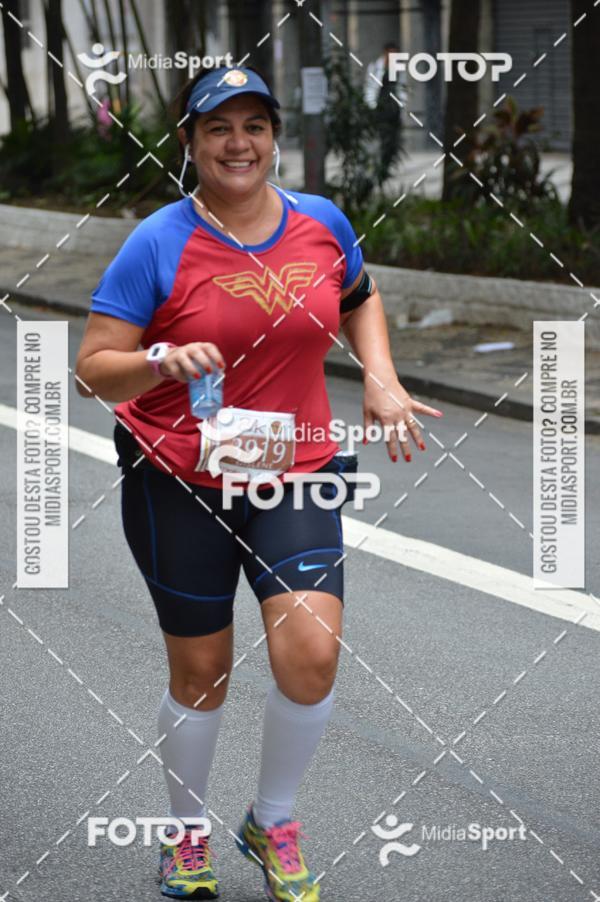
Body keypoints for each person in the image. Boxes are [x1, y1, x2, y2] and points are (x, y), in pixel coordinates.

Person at [75, 65, 442, 901]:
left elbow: (359, 295)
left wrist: (379, 376)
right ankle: (187, 833)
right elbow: (93, 371)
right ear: (191, 142)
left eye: (253, 126)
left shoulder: (321, 222)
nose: (238, 144)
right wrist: (161, 358)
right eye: (218, 129)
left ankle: (271, 819)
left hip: (297, 468)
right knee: (202, 672)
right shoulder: (159, 242)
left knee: (311, 655)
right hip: (179, 476)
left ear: (274, 137)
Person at [364, 41, 408, 178]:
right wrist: (370, 105)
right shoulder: (375, 67)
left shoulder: (399, 68)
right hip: (380, 107)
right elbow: (370, 86)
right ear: (385, 53)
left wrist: (402, 104)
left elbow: (403, 87)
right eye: (390, 53)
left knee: (393, 140)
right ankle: (379, 166)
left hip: (394, 109)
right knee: (380, 137)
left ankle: (386, 166)